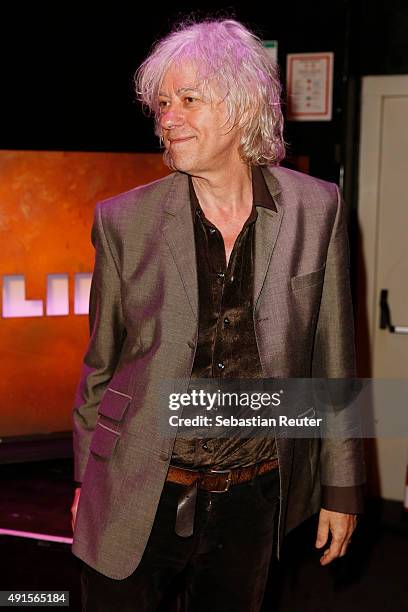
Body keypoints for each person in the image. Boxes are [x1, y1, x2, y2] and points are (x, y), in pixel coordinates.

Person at [70, 17, 365, 612]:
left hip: (251, 499)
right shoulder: (123, 221)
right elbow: (101, 364)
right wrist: (85, 478)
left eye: (187, 100)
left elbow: (333, 356)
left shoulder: (317, 209)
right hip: (136, 486)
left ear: (241, 105)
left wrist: (343, 487)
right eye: (161, 104)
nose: (167, 118)